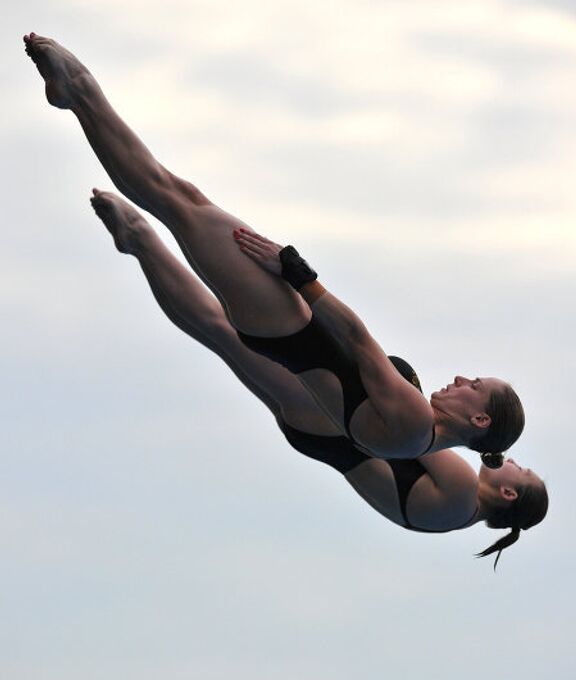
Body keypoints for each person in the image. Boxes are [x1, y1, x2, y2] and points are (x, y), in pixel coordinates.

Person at [23, 32, 524, 463]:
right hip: (279, 334)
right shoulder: (417, 440)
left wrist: (296, 271)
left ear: (479, 419)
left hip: (288, 324)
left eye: (474, 384)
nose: (462, 376)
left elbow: (356, 337)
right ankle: (80, 101)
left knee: (176, 200)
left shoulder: (417, 425)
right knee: (184, 201)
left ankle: (79, 93)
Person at [89, 188, 548, 568]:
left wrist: (395, 373)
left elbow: (416, 427)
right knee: (219, 335)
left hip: (336, 421)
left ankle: (144, 237)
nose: (510, 460)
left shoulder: (462, 492)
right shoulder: (451, 518)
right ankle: (141, 244)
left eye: (520, 470)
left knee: (227, 329)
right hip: (320, 437)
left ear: (508, 492)